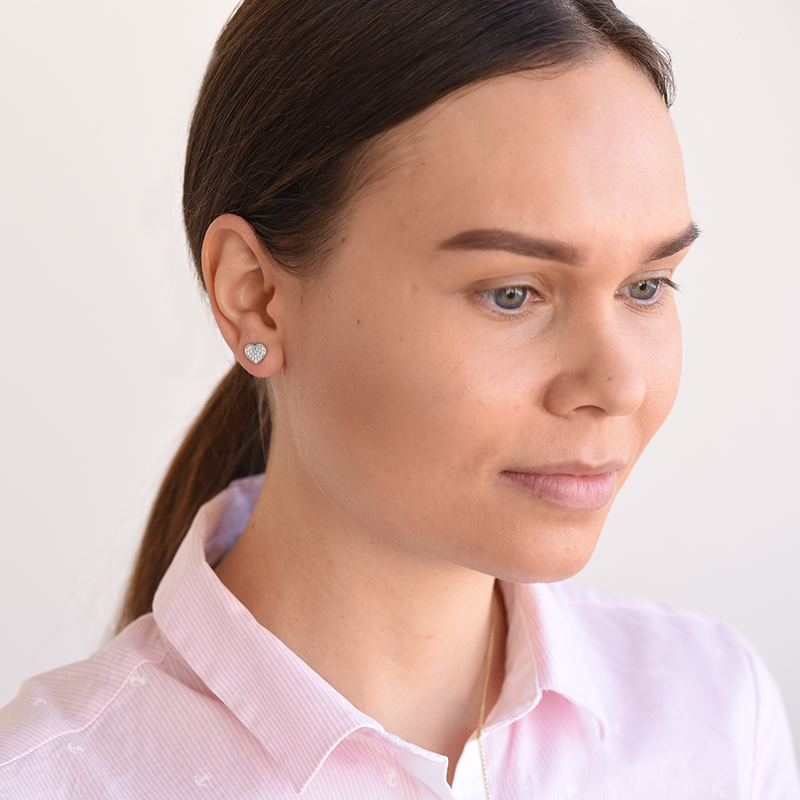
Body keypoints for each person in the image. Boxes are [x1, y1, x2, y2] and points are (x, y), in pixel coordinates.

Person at [1, 0, 798, 796]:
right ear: (255, 298)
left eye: (646, 286)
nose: (619, 385)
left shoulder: (716, 721)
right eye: (512, 294)